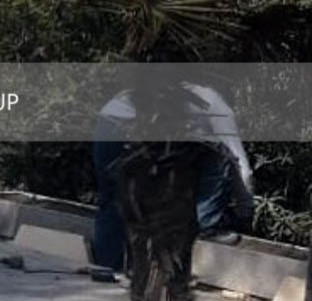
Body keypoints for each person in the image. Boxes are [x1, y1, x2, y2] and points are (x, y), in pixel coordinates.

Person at [92, 81, 253, 272]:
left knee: (113, 198)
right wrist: (245, 212)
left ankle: (106, 268)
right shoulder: (217, 105)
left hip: (110, 119)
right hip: (136, 126)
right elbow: (241, 166)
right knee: (221, 159)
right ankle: (206, 226)